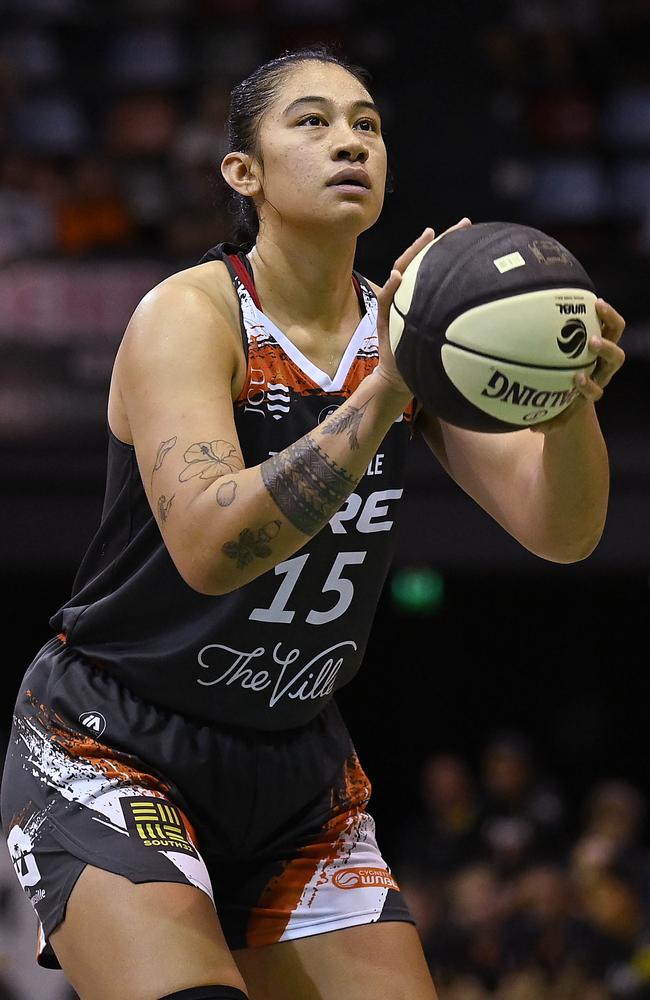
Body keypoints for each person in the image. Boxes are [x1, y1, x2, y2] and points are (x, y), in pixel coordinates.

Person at [0, 44, 625, 1000]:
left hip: (297, 768)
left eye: (367, 124)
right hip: (116, 741)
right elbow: (211, 549)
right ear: (242, 174)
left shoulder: (413, 337)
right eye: (313, 121)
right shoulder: (190, 315)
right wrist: (381, 394)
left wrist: (568, 401)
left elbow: (562, 531)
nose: (350, 142)